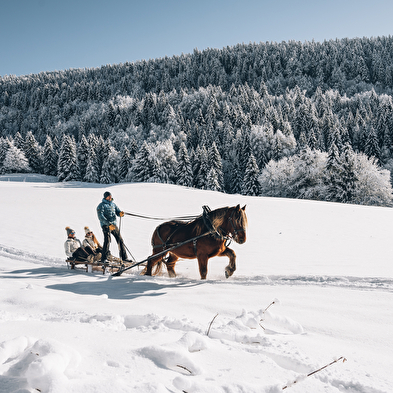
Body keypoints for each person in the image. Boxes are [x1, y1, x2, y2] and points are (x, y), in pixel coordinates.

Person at [96, 191, 129, 263]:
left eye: (110, 196)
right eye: (108, 196)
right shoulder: (101, 205)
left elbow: (118, 212)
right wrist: (108, 224)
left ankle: (124, 258)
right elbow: (100, 217)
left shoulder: (113, 204)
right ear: (105, 197)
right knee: (107, 241)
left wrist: (121, 214)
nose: (110, 197)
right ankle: (104, 259)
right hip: (106, 226)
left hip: (114, 225)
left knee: (120, 240)